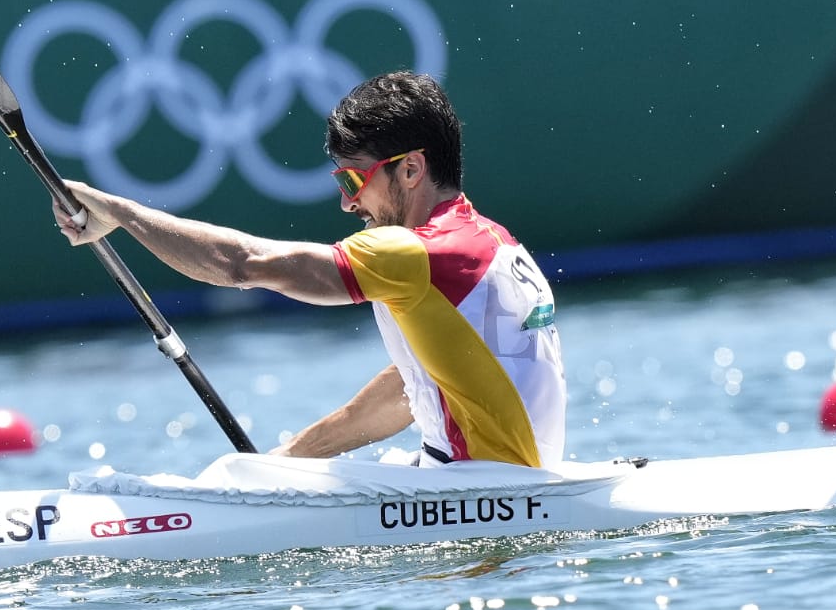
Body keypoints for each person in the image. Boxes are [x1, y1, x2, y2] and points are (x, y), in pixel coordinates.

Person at [54, 71, 566, 465]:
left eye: (353, 181)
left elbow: (241, 264)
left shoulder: (417, 254)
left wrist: (118, 212)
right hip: (500, 482)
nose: (348, 205)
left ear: (410, 169)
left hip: (479, 494)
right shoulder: (495, 241)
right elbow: (411, 391)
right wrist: (285, 464)